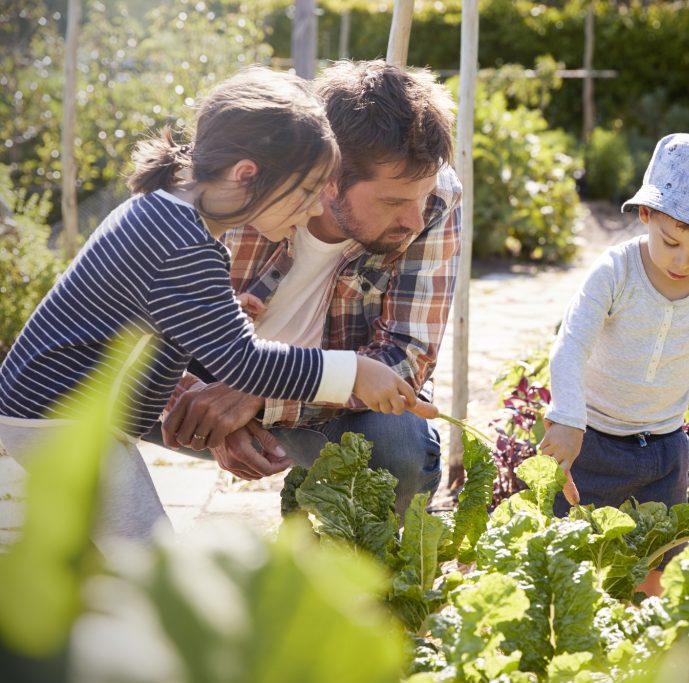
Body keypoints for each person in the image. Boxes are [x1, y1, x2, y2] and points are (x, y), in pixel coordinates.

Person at [0, 66, 435, 552]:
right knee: (148, 559)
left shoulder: (165, 213)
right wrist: (353, 370)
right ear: (246, 175)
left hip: (56, 408)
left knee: (108, 550)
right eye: (308, 192)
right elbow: (244, 364)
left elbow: (152, 313)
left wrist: (223, 307)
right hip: (63, 417)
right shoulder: (184, 243)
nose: (315, 210)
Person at [160, 60, 462, 516]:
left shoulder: (435, 199)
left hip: (325, 403)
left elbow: (406, 359)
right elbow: (134, 336)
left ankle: (321, 548)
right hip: (203, 392)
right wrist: (213, 419)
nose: (415, 220)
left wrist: (256, 391)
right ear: (330, 181)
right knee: (88, 392)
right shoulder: (230, 191)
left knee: (400, 447)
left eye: (420, 197)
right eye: (394, 201)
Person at [538, 133, 689, 595]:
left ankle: (637, 652)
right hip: (590, 442)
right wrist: (568, 419)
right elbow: (571, 343)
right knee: (569, 559)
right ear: (646, 214)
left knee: (651, 565)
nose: (685, 261)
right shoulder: (615, 272)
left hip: (663, 452)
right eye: (672, 241)